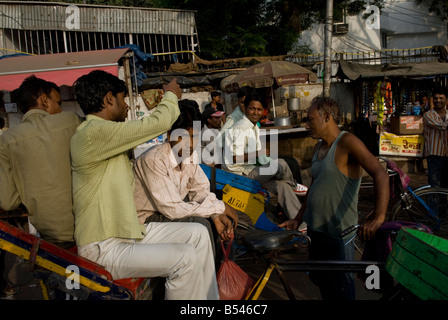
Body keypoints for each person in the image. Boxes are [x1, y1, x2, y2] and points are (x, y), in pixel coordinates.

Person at [71, 70, 218, 300]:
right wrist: (170, 95)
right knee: (185, 259)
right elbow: (158, 122)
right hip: (103, 247)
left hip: (128, 234)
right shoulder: (92, 134)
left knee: (198, 233)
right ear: (109, 98)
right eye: (123, 100)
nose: (127, 107)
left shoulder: (104, 135)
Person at [279, 96, 389, 300]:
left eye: (310, 119)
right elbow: (315, 185)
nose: (306, 125)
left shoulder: (347, 142)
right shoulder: (317, 148)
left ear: (327, 116)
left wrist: (379, 217)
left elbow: (379, 173)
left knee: (342, 289)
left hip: (339, 234)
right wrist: (298, 218)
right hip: (316, 230)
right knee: (323, 283)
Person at [133, 99, 238, 256]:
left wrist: (217, 215)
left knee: (225, 224)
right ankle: (205, 277)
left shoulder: (190, 155)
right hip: (147, 220)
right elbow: (173, 210)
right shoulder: (154, 159)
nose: (190, 143)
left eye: (194, 136)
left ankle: (220, 275)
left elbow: (201, 191)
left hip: (170, 212)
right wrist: (219, 207)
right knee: (201, 225)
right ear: (169, 135)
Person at [0, 75, 82, 248]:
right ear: (44, 100)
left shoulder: (6, 140)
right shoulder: (71, 121)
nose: (60, 109)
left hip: (50, 236)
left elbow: (8, 201)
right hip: (87, 226)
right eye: (58, 103)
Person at [222, 91, 302, 220]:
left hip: (250, 172)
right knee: (281, 164)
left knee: (283, 187)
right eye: (252, 109)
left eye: (259, 109)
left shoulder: (254, 127)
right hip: (240, 176)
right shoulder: (240, 127)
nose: (256, 112)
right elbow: (233, 158)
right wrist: (258, 153)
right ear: (245, 109)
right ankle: (294, 185)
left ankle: (299, 222)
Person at [423, 88, 448, 188]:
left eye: (441, 98)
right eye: (436, 98)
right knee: (434, 184)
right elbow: (441, 126)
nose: (438, 101)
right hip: (434, 155)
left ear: (446, 99)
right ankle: (433, 204)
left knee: (445, 184)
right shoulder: (428, 115)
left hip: (447, 155)